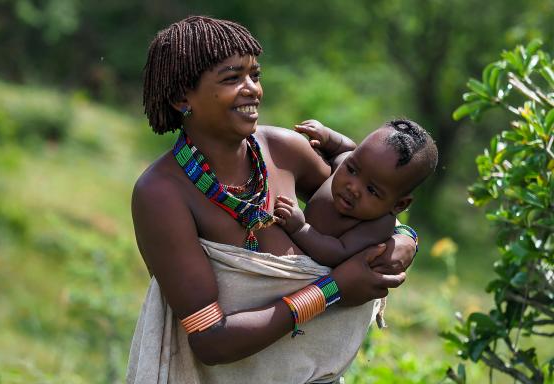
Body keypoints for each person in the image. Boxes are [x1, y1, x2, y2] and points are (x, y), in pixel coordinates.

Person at [127, 16, 418, 384]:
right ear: (182, 97)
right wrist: (333, 290)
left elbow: (372, 204)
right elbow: (210, 340)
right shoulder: (161, 194)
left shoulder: (284, 150)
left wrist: (405, 239)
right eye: (232, 78)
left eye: (255, 75)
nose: (252, 90)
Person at [274, 118, 438, 268]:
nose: (353, 188)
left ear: (399, 204)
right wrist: (328, 136)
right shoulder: (345, 162)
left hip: (320, 281)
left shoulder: (378, 226)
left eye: (371, 190)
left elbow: (338, 253)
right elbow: (344, 147)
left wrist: (300, 229)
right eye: (352, 170)